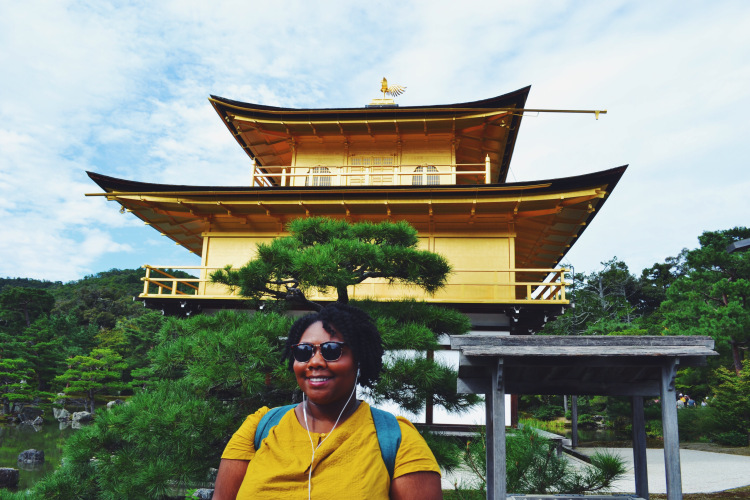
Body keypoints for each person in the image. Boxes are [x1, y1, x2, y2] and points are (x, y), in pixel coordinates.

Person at [213, 303, 443, 500]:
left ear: (359, 359)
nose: (315, 362)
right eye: (304, 352)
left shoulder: (397, 440)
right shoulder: (260, 427)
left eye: (331, 350)